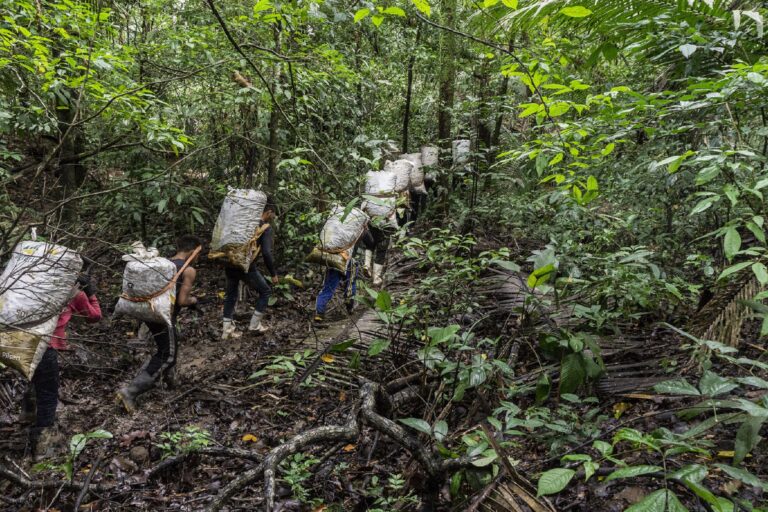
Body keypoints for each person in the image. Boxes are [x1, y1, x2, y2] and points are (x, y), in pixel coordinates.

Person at [116, 234, 201, 413]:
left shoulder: (165, 264)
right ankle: (131, 391)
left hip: (149, 312)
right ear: (193, 251)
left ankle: (171, 382)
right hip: (163, 316)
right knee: (168, 355)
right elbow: (182, 301)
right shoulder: (188, 270)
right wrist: (194, 301)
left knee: (169, 344)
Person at [21, 275, 102, 460]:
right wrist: (91, 293)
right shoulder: (74, 293)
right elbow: (95, 316)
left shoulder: (36, 285)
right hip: (46, 347)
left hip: (24, 345)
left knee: (35, 378)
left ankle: (27, 413)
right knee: (49, 395)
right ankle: (42, 449)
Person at [221, 204, 279, 339]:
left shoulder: (242, 223)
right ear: (269, 212)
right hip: (246, 266)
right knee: (265, 292)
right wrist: (273, 273)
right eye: (273, 214)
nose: (273, 217)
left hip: (230, 263)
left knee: (230, 295)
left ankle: (226, 331)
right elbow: (266, 253)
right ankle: (254, 326)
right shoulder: (264, 227)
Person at [315, 227, 375, 322]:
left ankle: (319, 313)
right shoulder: (359, 225)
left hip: (333, 259)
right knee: (350, 284)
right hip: (349, 259)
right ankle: (349, 307)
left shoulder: (336, 224)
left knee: (328, 287)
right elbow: (371, 243)